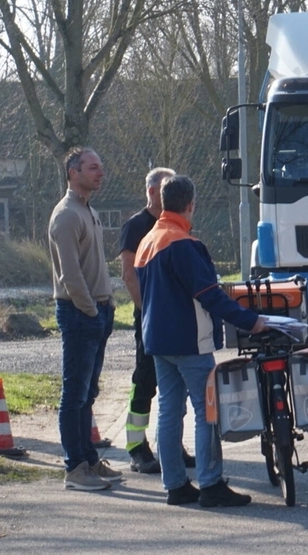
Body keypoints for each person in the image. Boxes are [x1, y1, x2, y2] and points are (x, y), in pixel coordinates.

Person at [135, 175, 266, 506]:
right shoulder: (183, 243)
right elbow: (210, 296)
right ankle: (210, 484)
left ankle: (175, 485)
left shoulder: (149, 240)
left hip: (158, 341)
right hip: (190, 341)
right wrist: (253, 322)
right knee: (207, 410)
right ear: (191, 204)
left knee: (168, 412)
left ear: (164, 202)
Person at [48, 147, 123, 492]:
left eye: (101, 167)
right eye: (93, 167)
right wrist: (91, 310)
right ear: (73, 172)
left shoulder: (86, 210)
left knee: (87, 392)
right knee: (75, 393)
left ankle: (89, 461)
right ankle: (75, 468)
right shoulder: (66, 215)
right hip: (80, 312)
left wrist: (105, 306)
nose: (100, 173)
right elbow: (70, 275)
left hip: (97, 310)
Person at [118, 166, 195, 473]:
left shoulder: (178, 222)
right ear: (151, 191)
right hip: (150, 317)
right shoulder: (136, 226)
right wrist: (147, 311)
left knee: (176, 385)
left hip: (174, 317)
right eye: (165, 187)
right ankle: (136, 446)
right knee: (145, 380)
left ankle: (171, 446)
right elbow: (129, 275)